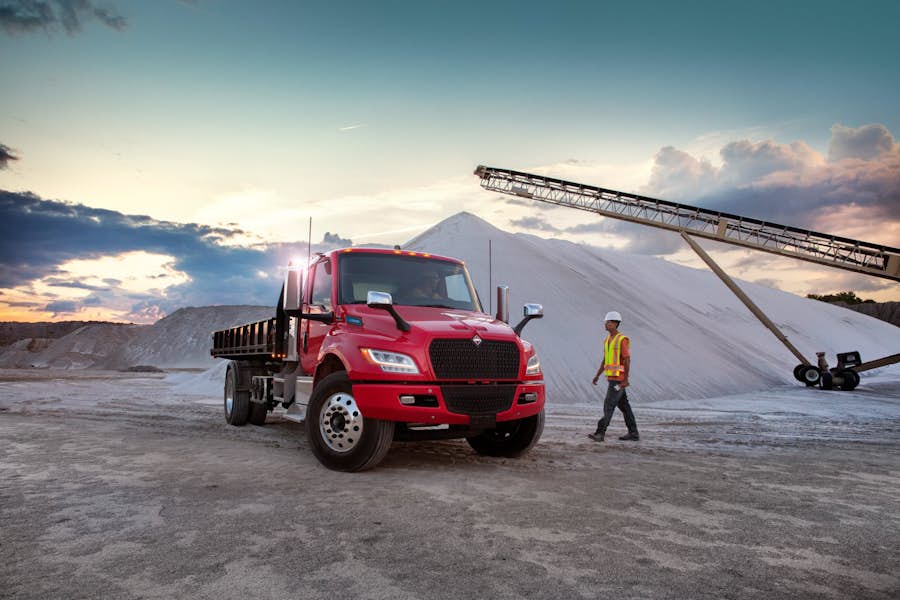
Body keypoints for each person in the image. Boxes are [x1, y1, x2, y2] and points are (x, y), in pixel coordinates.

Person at [588, 310, 639, 442]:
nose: (606, 324)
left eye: (609, 322)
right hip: (612, 379)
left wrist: (625, 380)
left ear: (616, 324)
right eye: (606, 322)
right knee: (625, 407)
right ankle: (633, 433)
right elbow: (605, 360)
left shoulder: (621, 340)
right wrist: (597, 375)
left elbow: (627, 360)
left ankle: (600, 433)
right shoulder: (607, 340)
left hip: (618, 381)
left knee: (608, 405)